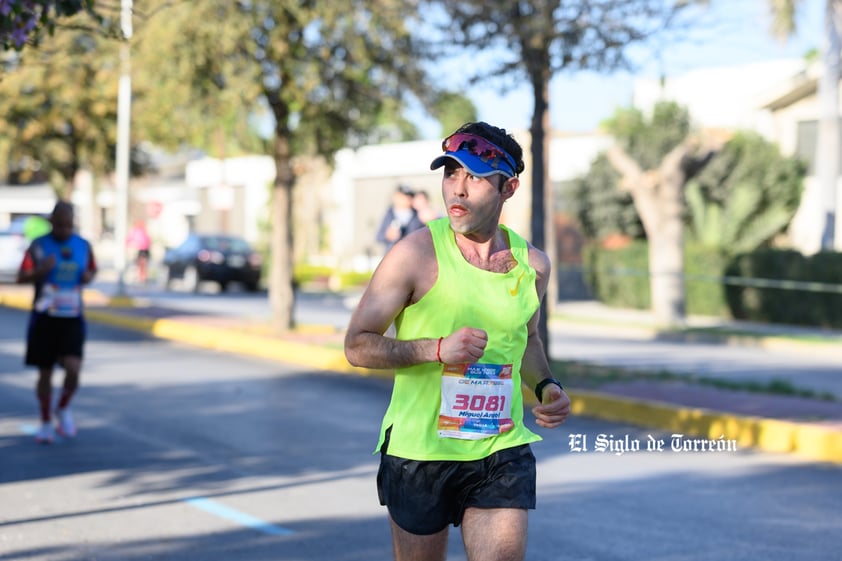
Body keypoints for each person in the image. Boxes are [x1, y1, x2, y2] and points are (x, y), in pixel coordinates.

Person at [344, 121, 571, 561]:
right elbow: (357, 345)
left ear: (509, 188)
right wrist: (435, 349)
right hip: (419, 451)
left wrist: (546, 387)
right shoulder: (415, 254)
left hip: (498, 448)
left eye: (475, 177)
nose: (458, 190)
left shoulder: (533, 266)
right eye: (451, 173)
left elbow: (527, 338)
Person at [17, 200, 98, 444]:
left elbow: (92, 271)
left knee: (73, 369)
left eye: (69, 225)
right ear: (52, 222)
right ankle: (45, 422)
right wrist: (40, 270)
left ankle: (62, 407)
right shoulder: (39, 245)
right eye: (60, 225)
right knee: (45, 373)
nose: (64, 230)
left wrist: (88, 277)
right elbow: (21, 277)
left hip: (72, 316)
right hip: (44, 317)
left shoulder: (83, 245)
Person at [375, 184, 425, 251]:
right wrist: (388, 235)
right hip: (392, 254)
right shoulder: (389, 214)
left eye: (409, 196)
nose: (406, 199)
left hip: (412, 255)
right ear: (396, 196)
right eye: (403, 196)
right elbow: (378, 237)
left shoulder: (419, 214)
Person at [126, 219, 151, 283]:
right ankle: (142, 276)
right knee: (142, 263)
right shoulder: (140, 231)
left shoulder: (138, 231)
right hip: (141, 249)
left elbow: (128, 239)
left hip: (142, 249)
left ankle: (142, 276)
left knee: (142, 263)